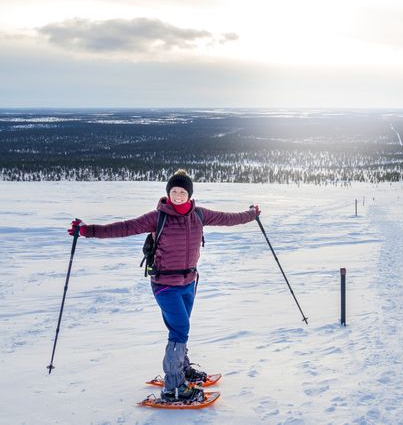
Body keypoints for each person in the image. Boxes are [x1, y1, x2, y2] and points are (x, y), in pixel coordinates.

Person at [67, 169, 260, 402]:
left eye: (182, 192)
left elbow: (229, 218)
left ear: (189, 194)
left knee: (182, 327)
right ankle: (173, 386)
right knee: (179, 330)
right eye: (174, 191)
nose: (178, 195)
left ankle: (183, 369)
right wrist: (89, 231)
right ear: (168, 193)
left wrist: (251, 214)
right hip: (165, 284)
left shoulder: (199, 214)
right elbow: (124, 227)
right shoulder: (157, 217)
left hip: (189, 282)